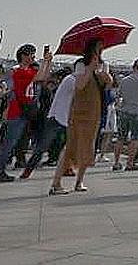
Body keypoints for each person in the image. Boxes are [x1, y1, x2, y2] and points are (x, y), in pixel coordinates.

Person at [51, 39, 112, 195]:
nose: (101, 50)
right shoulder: (81, 64)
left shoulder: (104, 65)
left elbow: (109, 85)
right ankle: (56, 183)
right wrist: (90, 69)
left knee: (89, 146)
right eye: (99, 47)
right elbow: (80, 85)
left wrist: (107, 78)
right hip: (80, 109)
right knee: (71, 145)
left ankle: (79, 181)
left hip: (95, 109)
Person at [0, 44, 51, 182]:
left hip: (23, 111)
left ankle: (0, 170)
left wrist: (48, 62)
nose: (33, 57)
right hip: (18, 111)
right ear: (24, 56)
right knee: (9, 142)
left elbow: (43, 77)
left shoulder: (25, 70)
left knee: (11, 142)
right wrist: (46, 61)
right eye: (31, 54)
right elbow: (40, 76)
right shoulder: (19, 71)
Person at [21, 64, 75, 179]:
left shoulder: (65, 82)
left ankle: (66, 168)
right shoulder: (71, 80)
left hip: (62, 117)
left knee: (63, 146)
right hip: (59, 117)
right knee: (45, 146)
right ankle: (29, 169)